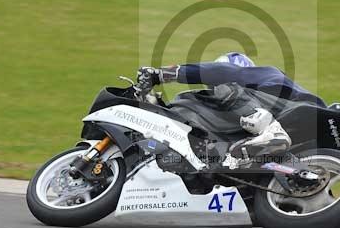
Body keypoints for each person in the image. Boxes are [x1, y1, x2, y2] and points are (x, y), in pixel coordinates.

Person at [136, 52, 325, 169]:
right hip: (307, 133)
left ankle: (271, 132)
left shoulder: (260, 74)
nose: (213, 90)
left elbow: (220, 72)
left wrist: (162, 74)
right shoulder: (244, 119)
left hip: (297, 109)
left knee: (222, 88)